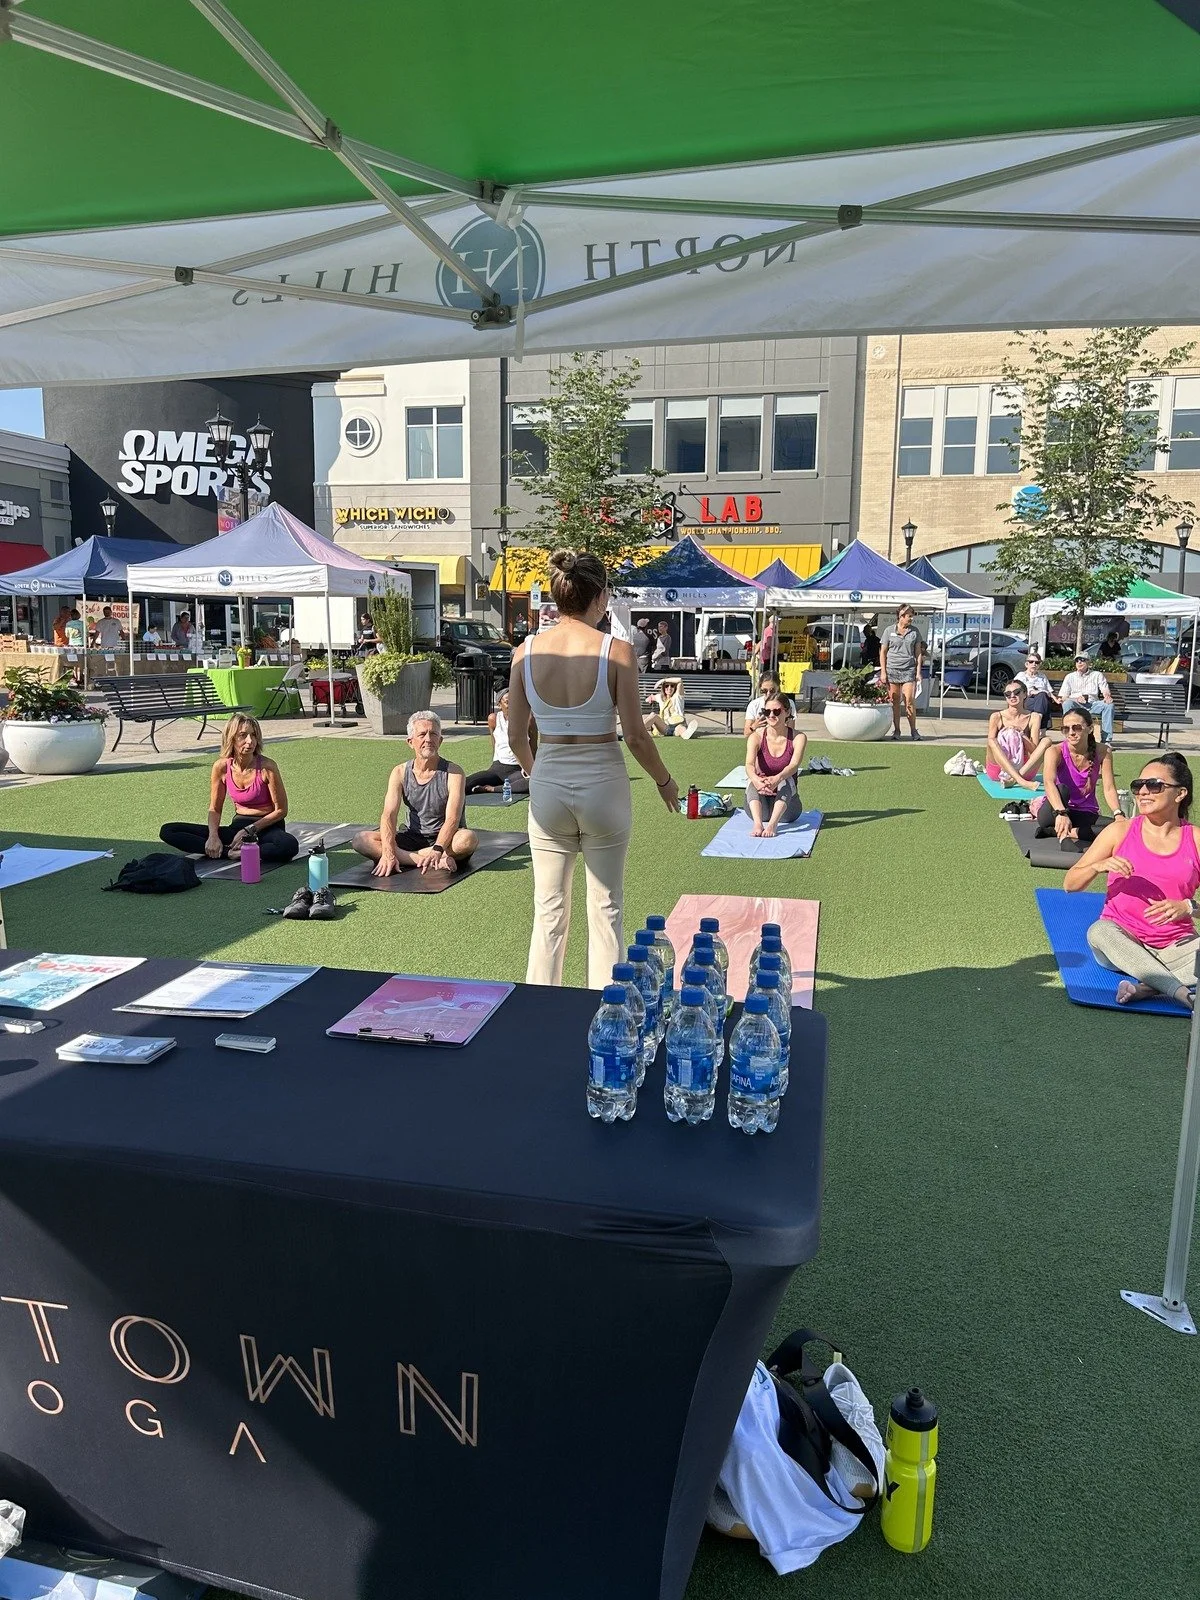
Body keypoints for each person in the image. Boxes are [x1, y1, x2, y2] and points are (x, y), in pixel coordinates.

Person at [507, 548, 679, 988]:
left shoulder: (524, 652)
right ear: (600, 597)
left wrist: (537, 771)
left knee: (548, 912)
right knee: (607, 909)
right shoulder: (617, 652)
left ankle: (538, 1013)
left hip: (548, 787)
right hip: (604, 786)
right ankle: (608, 1015)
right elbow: (637, 736)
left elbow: (515, 736)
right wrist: (664, 781)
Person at [1066, 752, 1200, 1009]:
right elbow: (1070, 884)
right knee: (1099, 931)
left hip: (1176, 945)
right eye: (1139, 785)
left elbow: (1192, 909)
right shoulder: (1121, 830)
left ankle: (1148, 987)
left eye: (1154, 785)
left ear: (1180, 793)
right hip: (1121, 940)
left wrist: (1188, 907)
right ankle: (1183, 994)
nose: (1143, 792)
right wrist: (1097, 865)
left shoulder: (1194, 839)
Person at [160, 714, 300, 863]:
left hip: (267, 828)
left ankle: (245, 850)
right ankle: (230, 852)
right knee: (169, 830)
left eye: (253, 735)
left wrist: (249, 830)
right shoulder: (221, 767)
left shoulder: (267, 767)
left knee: (288, 845)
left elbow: (281, 811)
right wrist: (213, 836)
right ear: (231, 738)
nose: (250, 741)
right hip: (237, 827)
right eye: (243, 735)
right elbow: (215, 808)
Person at [352, 711, 478, 876]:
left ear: (440, 740)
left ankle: (425, 857)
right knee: (361, 840)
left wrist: (438, 849)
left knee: (468, 839)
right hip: (411, 837)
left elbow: (453, 819)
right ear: (410, 742)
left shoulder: (454, 772)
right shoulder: (399, 772)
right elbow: (388, 815)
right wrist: (389, 851)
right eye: (422, 734)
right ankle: (422, 861)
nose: (428, 739)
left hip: (445, 841)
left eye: (433, 734)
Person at [1035, 705, 1120, 844]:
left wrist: (1118, 814)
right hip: (1054, 811)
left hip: (1084, 812)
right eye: (1066, 729)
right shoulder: (1054, 751)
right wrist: (1061, 813)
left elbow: (1109, 787)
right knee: (1062, 788)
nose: (1071, 732)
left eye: (1077, 727)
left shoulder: (1103, 751)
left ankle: (1070, 832)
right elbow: (1049, 782)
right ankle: (1061, 826)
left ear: (1090, 728)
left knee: (1119, 828)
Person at [745, 693, 808, 836]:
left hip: (787, 810)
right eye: (767, 712)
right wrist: (757, 780)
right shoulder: (756, 737)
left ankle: (773, 825)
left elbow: (794, 765)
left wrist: (777, 778)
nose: (771, 715)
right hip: (759, 805)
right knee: (751, 780)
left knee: (786, 780)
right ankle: (758, 824)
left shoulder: (798, 737)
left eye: (777, 711)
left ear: (787, 712)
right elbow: (749, 764)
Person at [986, 682, 1053, 790]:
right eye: (1008, 694)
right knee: (991, 741)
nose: (1012, 696)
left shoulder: (1033, 717)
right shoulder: (996, 716)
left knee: (1046, 741)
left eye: (1016, 692)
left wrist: (1021, 735)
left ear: (1025, 694)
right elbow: (990, 747)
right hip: (998, 769)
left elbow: (1034, 750)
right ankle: (1020, 781)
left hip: (1024, 769)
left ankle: (1014, 779)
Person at [464, 689, 531, 794]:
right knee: (466, 782)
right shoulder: (493, 719)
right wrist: (493, 765)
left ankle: (491, 789)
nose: (512, 705)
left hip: (517, 770)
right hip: (497, 768)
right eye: (507, 702)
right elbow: (495, 744)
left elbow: (533, 746)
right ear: (499, 705)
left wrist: (531, 769)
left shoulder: (527, 719)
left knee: (532, 783)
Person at [880, 604, 926, 740]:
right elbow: (883, 652)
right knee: (894, 701)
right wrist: (883, 672)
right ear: (901, 616)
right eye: (909, 616)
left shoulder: (915, 632)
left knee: (909, 700)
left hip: (908, 670)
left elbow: (918, 653)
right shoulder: (889, 631)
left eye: (912, 616)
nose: (911, 619)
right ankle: (897, 731)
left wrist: (918, 672)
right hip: (892, 669)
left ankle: (913, 731)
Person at [1060, 651, 1115, 743]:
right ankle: (1068, 735)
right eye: (1077, 660)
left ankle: (1106, 740)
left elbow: (1104, 688)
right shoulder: (1069, 677)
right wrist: (1075, 699)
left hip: (1092, 704)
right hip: (1076, 704)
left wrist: (1107, 696)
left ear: (1088, 662)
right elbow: (1063, 697)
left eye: (1082, 660)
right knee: (1067, 703)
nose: (1079, 662)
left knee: (1109, 706)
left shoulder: (1097, 675)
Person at [1013, 652, 1060, 741]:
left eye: (1037, 662)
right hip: (1026, 700)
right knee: (1042, 698)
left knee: (1043, 697)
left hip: (1042, 701)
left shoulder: (1042, 676)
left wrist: (1056, 700)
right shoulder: (1021, 676)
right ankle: (1040, 729)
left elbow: (1049, 692)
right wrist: (1032, 692)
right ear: (1026, 664)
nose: (1034, 664)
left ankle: (1037, 720)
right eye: (1031, 662)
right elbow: (1015, 690)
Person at [743, 671, 795, 738]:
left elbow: (790, 733)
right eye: (764, 691)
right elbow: (746, 734)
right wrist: (755, 726)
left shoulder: (788, 703)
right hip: (759, 742)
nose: (768, 694)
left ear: (778, 687)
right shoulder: (754, 705)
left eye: (772, 691)